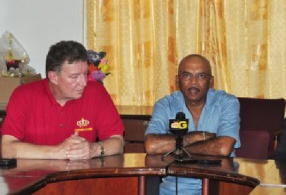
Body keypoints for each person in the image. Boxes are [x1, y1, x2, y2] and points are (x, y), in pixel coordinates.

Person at [1, 40, 124, 160]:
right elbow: (7, 149)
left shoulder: (96, 92)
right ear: (53, 77)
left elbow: (117, 141)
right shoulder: (24, 96)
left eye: (85, 74)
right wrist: (58, 152)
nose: (84, 83)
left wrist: (94, 149)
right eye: (74, 77)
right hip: (33, 178)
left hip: (79, 175)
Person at [144, 54, 240, 195]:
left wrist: (176, 149)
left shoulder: (227, 103)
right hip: (172, 190)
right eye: (186, 75)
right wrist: (197, 137)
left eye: (201, 76)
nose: (193, 82)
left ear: (211, 81)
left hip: (218, 189)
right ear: (178, 80)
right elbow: (151, 145)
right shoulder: (165, 105)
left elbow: (223, 147)